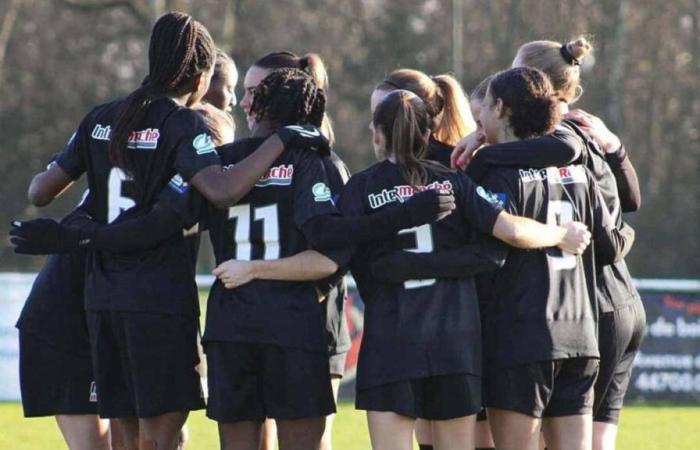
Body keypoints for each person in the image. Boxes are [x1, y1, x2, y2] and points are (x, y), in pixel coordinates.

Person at [10, 12, 335, 450]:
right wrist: (283, 139)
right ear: (201, 77)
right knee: (162, 438)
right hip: (157, 300)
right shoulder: (184, 126)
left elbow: (40, 190)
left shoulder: (101, 118)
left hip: (102, 299)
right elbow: (220, 191)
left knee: (125, 433)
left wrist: (84, 207)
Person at [453, 38, 645, 450]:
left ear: (501, 109)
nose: (479, 122)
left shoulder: (497, 175)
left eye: (484, 109)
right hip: (581, 336)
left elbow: (488, 248)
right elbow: (609, 237)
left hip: (523, 336)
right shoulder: (578, 171)